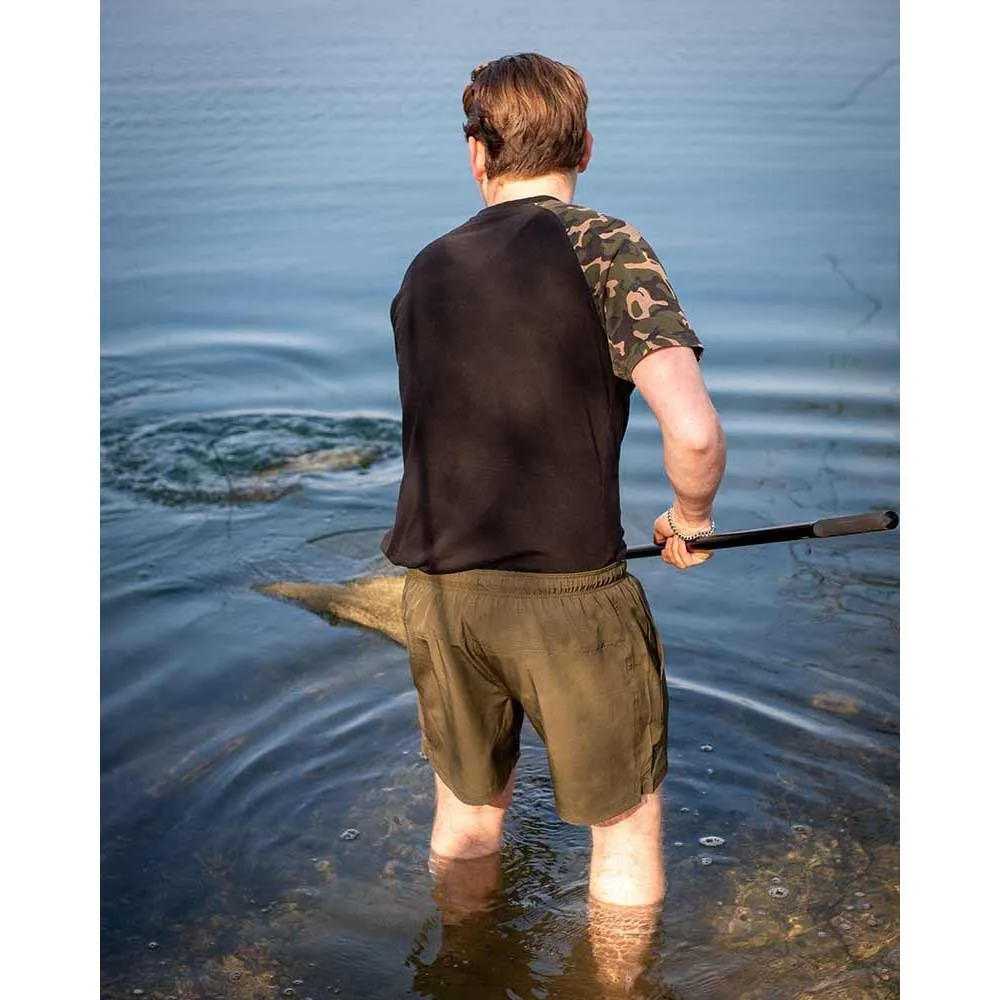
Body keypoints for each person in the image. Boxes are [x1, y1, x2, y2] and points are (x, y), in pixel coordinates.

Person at [382, 51, 726, 943]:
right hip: (571, 600)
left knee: (465, 820)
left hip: (442, 595)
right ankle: (617, 990)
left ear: (476, 154)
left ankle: (463, 970)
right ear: (586, 147)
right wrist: (690, 520)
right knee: (623, 829)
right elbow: (693, 431)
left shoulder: (426, 269)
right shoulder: (606, 244)